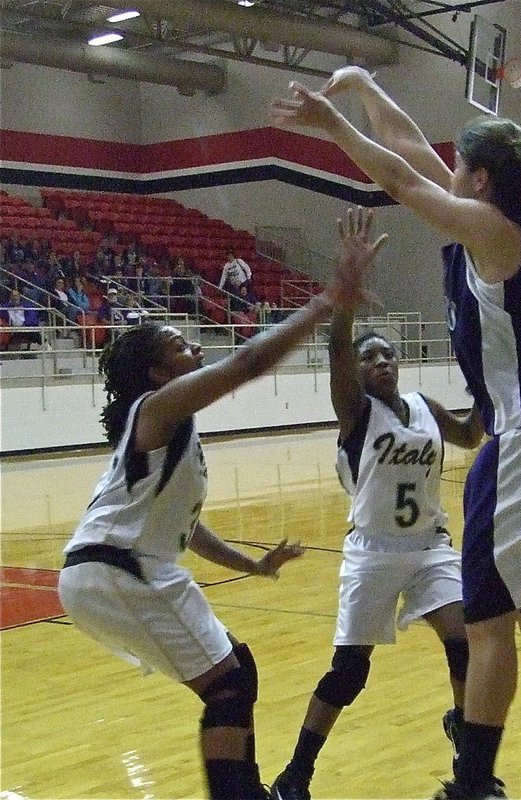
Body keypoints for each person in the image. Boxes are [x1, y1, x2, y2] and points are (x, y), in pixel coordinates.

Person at [270, 67, 521, 800]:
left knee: (488, 626)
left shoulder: (489, 230)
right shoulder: (486, 216)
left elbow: (396, 175)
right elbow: (404, 148)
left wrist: (331, 124)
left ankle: (474, 786)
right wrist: (362, 83)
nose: (443, 169)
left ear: (479, 178)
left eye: (455, 164)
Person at [56, 207, 383, 800]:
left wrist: (251, 565)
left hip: (117, 568)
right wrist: (327, 300)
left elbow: (188, 530)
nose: (194, 349)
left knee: (237, 670)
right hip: (118, 570)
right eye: (180, 346)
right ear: (158, 372)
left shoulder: (167, 434)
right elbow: (247, 362)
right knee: (228, 686)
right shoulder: (156, 410)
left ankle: (246, 791)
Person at [270, 208, 483, 800]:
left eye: (387, 354)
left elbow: (469, 436)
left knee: (464, 641)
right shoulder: (356, 413)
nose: (381, 361)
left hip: (429, 547)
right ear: (357, 372)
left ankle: (468, 748)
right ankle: (297, 773)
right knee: (350, 672)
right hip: (372, 554)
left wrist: (498, 384)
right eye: (370, 357)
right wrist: (344, 297)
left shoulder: (423, 406)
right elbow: (339, 344)